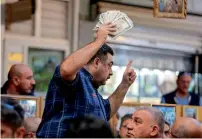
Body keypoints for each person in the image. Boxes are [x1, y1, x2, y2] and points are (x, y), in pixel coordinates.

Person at [36, 23, 136, 138]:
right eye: (109, 65)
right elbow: (65, 70)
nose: (111, 72)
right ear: (97, 62)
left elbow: (107, 111)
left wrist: (125, 84)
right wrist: (98, 41)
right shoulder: (78, 78)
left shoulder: (91, 88)